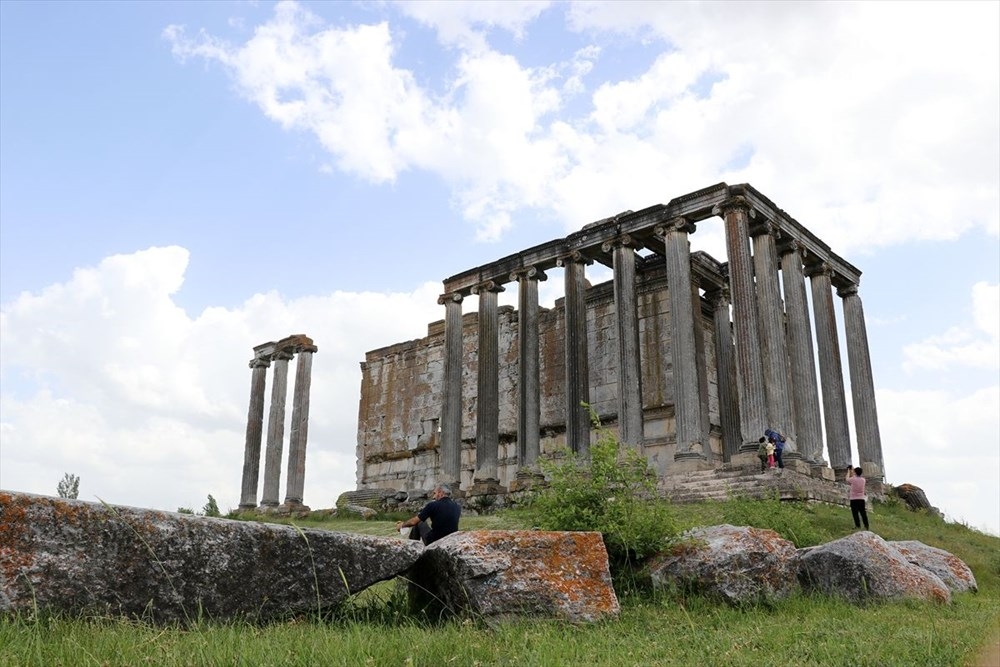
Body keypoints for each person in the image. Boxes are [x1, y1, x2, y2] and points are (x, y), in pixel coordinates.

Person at [396, 483, 461, 545]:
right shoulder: (457, 506)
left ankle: (412, 549)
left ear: (440, 492)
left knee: (419, 523)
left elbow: (413, 522)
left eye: (435, 493)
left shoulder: (433, 505)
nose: (434, 497)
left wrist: (402, 525)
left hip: (435, 541)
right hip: (450, 540)